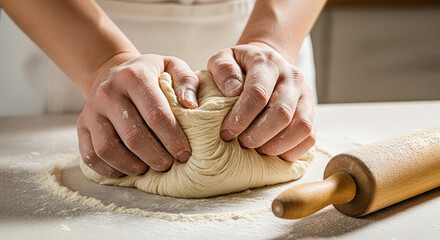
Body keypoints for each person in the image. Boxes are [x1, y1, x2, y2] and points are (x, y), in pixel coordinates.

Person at [0, 0, 326, 178]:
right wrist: (104, 63)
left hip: (265, 21)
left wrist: (270, 39)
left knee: (270, 125)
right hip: (69, 29)